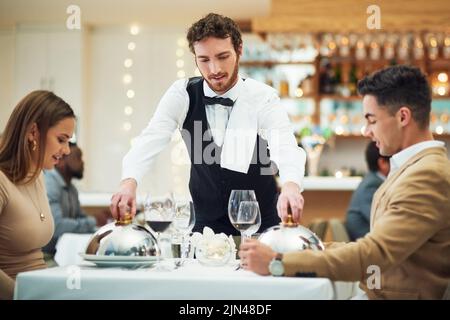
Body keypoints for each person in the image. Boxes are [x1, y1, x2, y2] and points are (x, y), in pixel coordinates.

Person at [239, 65, 450, 299]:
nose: (366, 131)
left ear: (403, 117)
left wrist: (278, 262)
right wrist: (300, 247)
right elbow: (374, 247)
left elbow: (374, 254)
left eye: (372, 120)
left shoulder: (427, 174)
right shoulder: (415, 167)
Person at [110, 13, 306, 235]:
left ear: (239, 50)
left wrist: (291, 185)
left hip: (260, 224)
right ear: (195, 58)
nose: (214, 70)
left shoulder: (263, 97)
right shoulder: (182, 94)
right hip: (205, 227)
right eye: (204, 60)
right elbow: (151, 138)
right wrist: (129, 182)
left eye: (223, 56)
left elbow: (286, 145)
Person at [0, 90, 75, 299]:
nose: (67, 150)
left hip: (41, 290)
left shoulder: (38, 177)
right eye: (61, 139)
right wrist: (22, 295)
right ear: (33, 132)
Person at [42, 142, 108, 260]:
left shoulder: (72, 189)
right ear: (60, 161)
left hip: (57, 252)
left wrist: (103, 228)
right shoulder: (49, 183)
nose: (82, 162)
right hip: (44, 256)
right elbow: (57, 226)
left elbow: (79, 217)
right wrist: (94, 221)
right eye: (78, 157)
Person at [345, 141, 390, 241]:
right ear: (382, 163)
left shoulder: (372, 179)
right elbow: (378, 219)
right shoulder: (372, 185)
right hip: (364, 239)